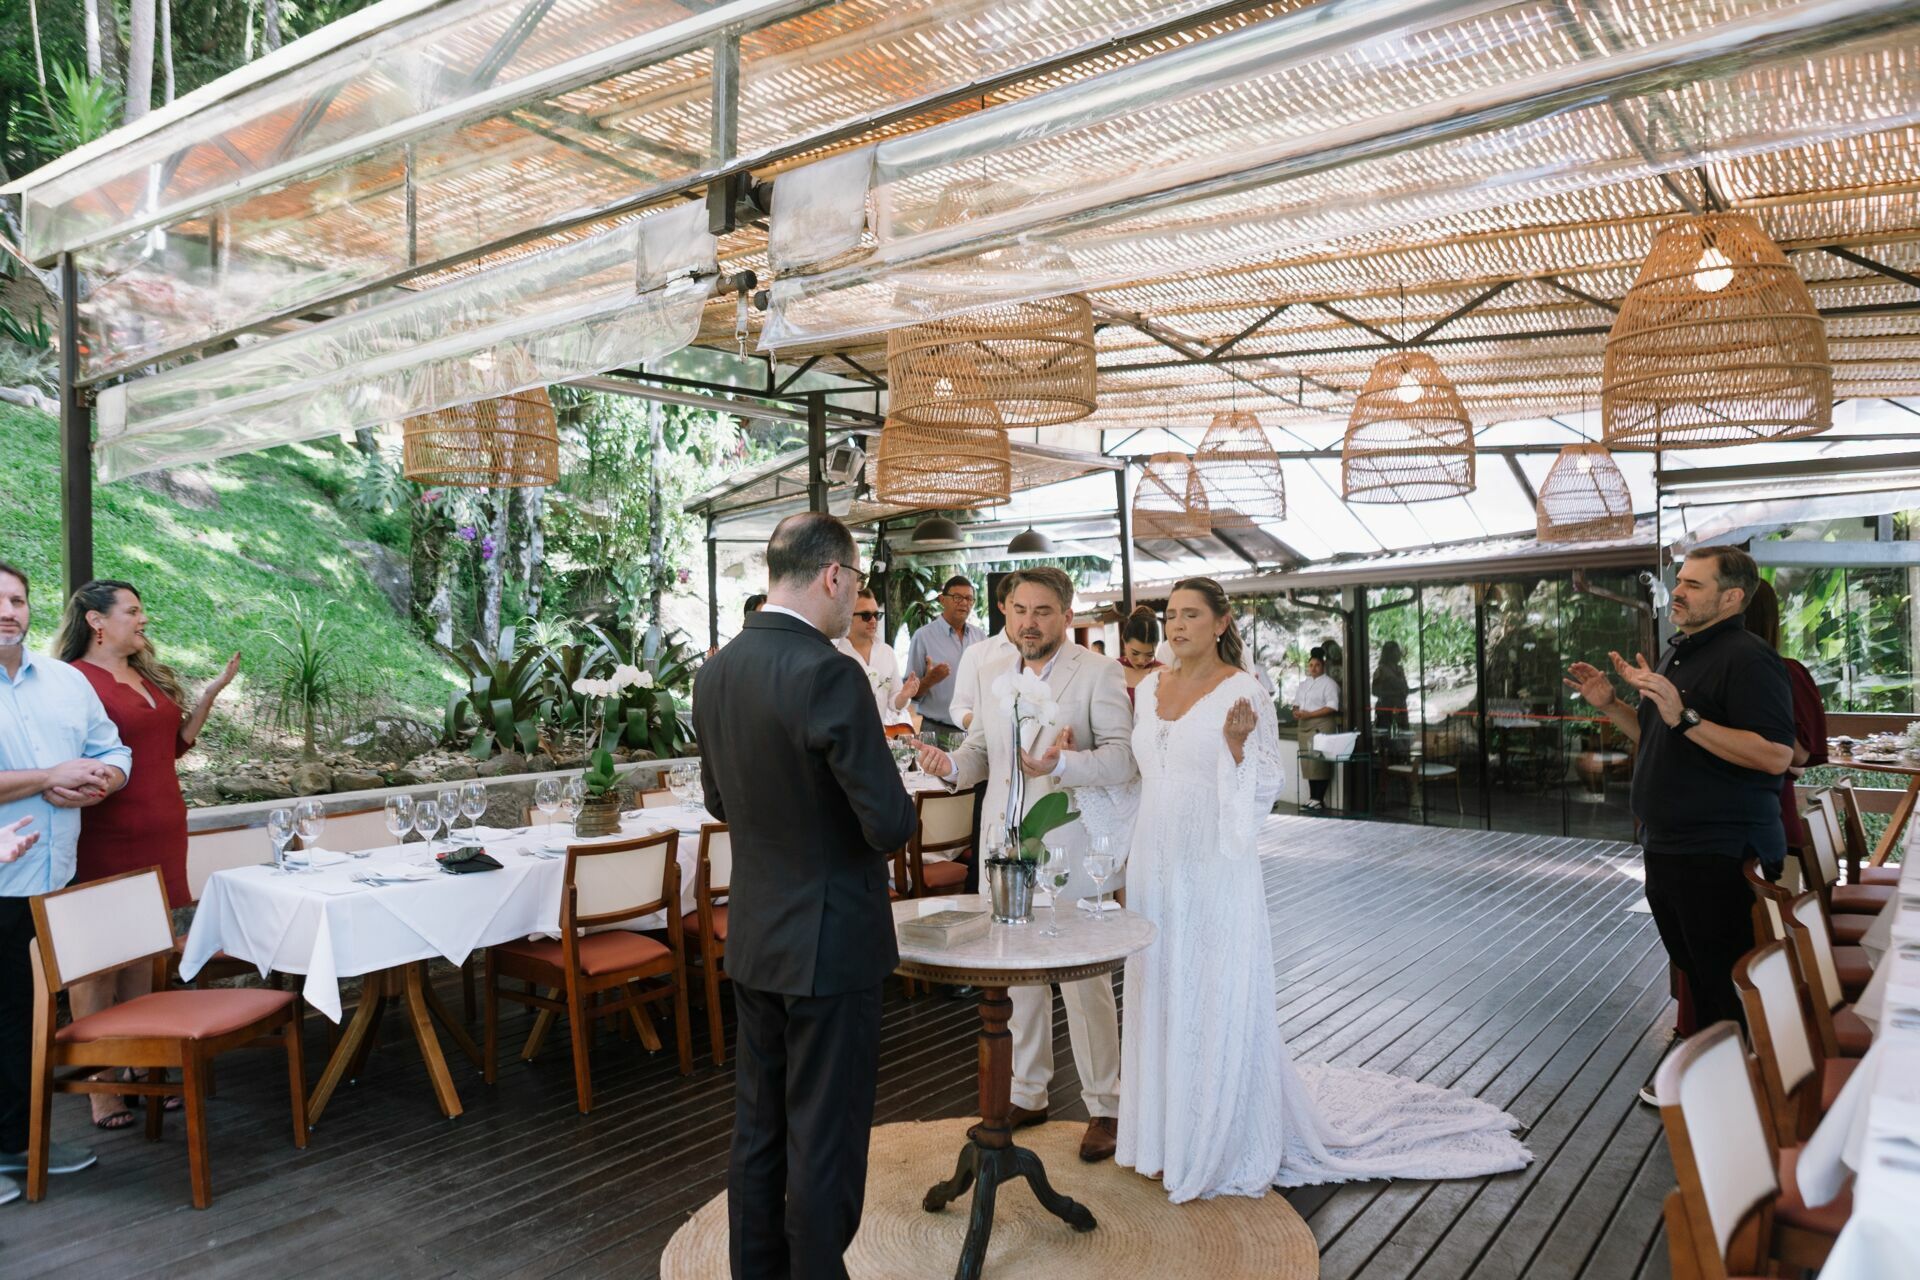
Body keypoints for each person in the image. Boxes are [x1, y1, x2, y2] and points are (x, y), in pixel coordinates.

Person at [1119, 577, 1528, 1201]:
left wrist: (1233, 749)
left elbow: (1261, 793)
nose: (1177, 627)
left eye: (1192, 615)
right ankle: (1161, 1136)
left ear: (1222, 622)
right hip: (1153, 857)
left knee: (1210, 986)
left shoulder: (1243, 691)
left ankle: (1212, 1136)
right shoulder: (1148, 688)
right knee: (1161, 983)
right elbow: (1144, 772)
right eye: (1171, 616)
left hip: (1213, 862)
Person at [693, 514, 917, 1280]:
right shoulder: (830, 671)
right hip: (832, 940)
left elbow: (720, 799)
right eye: (853, 586)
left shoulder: (716, 669)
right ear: (832, 577)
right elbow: (888, 823)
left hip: (756, 933)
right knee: (825, 1132)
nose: (852, 601)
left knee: (760, 1127)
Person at [915, 567, 1137, 1162]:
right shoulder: (990, 670)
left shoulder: (1097, 672)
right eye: (1018, 610)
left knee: (1084, 980)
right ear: (1005, 612)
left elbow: (1123, 760)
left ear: (1065, 615)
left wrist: (1065, 764)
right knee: (1016, 974)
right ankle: (1030, 1092)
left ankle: (1106, 1105)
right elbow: (980, 753)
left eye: (1042, 611)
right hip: (1003, 841)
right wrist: (949, 767)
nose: (1028, 622)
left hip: (1071, 844)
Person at [1565, 545, 1794, 1101]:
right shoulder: (1679, 654)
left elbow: (1775, 756)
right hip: (1667, 844)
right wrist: (1614, 706)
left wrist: (1684, 715)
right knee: (1694, 966)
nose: (1679, 592)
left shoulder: (1748, 659)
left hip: (1717, 845)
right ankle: (1716, 1075)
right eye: (1680, 582)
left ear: (1732, 597)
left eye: (1693, 584)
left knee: (1721, 973)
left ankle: (1731, 1093)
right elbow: (1660, 740)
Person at [54, 580, 240, 1128]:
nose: (143, 620)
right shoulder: (72, 682)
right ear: (96, 621)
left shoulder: (146, 675)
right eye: (132, 611)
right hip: (106, 832)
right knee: (99, 961)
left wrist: (207, 696)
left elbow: (173, 748)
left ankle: (139, 1065)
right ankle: (100, 1085)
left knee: (146, 952)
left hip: (164, 829)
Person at [0, 560, 131, 1197]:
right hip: (0, 883)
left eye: (18, 600)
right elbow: (53, 771)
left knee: (28, 1020)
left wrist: (102, 781)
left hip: (56, 875)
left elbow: (111, 749)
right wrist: (49, 776)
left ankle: (22, 1146)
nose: (9, 612)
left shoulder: (64, 682)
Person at [1741, 579, 1827, 865]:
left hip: (1769, 819)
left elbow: (1799, 759)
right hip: (1717, 828)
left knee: (1770, 905)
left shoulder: (1783, 673)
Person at [834, 587, 919, 738]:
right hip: (844, 738)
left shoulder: (886, 652)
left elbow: (894, 703)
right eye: (866, 615)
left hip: (878, 737)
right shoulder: (835, 652)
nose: (873, 620)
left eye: (876, 615)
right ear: (848, 616)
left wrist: (904, 695)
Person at [905, 576, 982, 739]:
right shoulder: (923, 637)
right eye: (957, 597)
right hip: (936, 730)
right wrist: (930, 680)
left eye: (969, 598)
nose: (963, 603)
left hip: (974, 731)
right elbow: (908, 694)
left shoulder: (981, 638)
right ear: (942, 600)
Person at [948, 575, 1016, 732]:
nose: (1025, 612)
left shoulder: (1045, 653)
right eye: (1017, 605)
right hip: (988, 750)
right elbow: (960, 708)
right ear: (1002, 606)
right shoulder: (977, 653)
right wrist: (986, 727)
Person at [1290, 649, 1342, 810]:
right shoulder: (1304, 684)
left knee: (1319, 762)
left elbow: (1332, 706)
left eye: (1317, 665)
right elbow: (1297, 702)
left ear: (1323, 666)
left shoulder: (1329, 684)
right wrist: (1296, 711)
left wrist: (1310, 714)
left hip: (1321, 724)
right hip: (1304, 724)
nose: (1313, 668)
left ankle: (1318, 798)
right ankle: (1312, 797)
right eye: (1311, 665)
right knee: (1308, 762)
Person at [1118, 604, 1164, 704]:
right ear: (1124, 640)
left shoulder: (1165, 673)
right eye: (1135, 653)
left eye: (1149, 655)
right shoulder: (1112, 669)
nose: (1141, 660)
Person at [1372, 640, 1410, 731]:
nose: (1399, 654)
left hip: (1401, 709)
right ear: (1389, 654)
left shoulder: (1400, 669)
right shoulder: (1381, 671)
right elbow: (1375, 691)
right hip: (1386, 710)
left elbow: (1405, 688)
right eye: (1396, 651)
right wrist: (1393, 694)